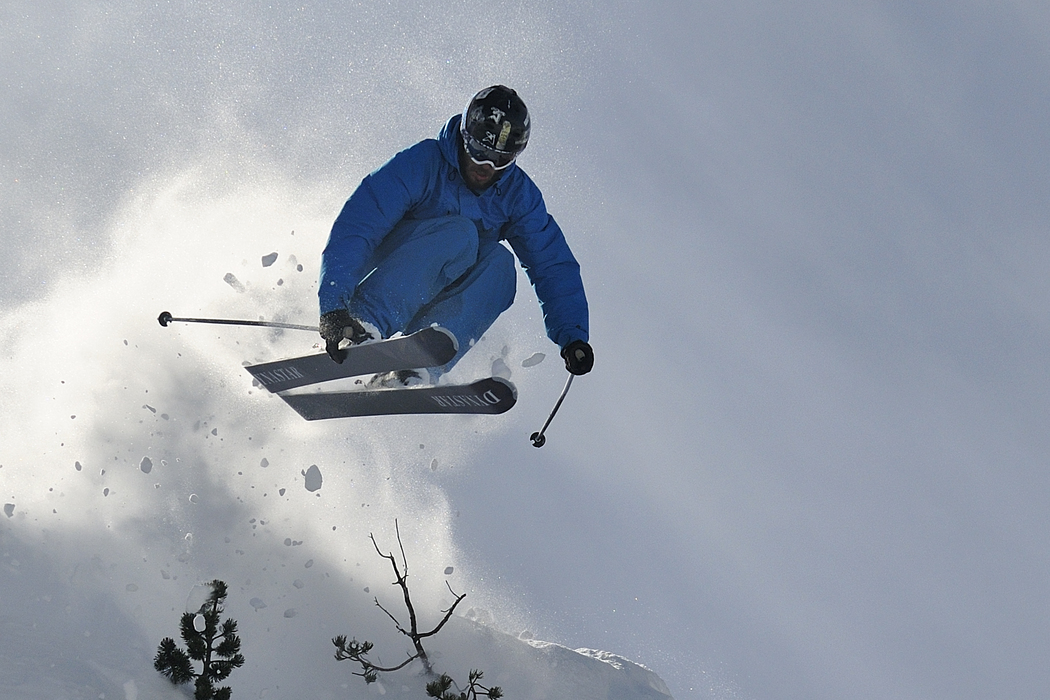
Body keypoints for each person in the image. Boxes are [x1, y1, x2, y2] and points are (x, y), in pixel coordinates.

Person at [318, 85, 593, 386]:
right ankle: (363, 326)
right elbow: (360, 223)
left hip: (434, 288)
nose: (485, 166)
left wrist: (573, 336)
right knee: (461, 234)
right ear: (465, 138)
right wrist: (334, 304)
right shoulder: (423, 163)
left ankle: (415, 365)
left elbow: (551, 264)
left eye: (499, 159)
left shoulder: (518, 196)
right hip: (384, 274)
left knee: (500, 265)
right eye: (479, 152)